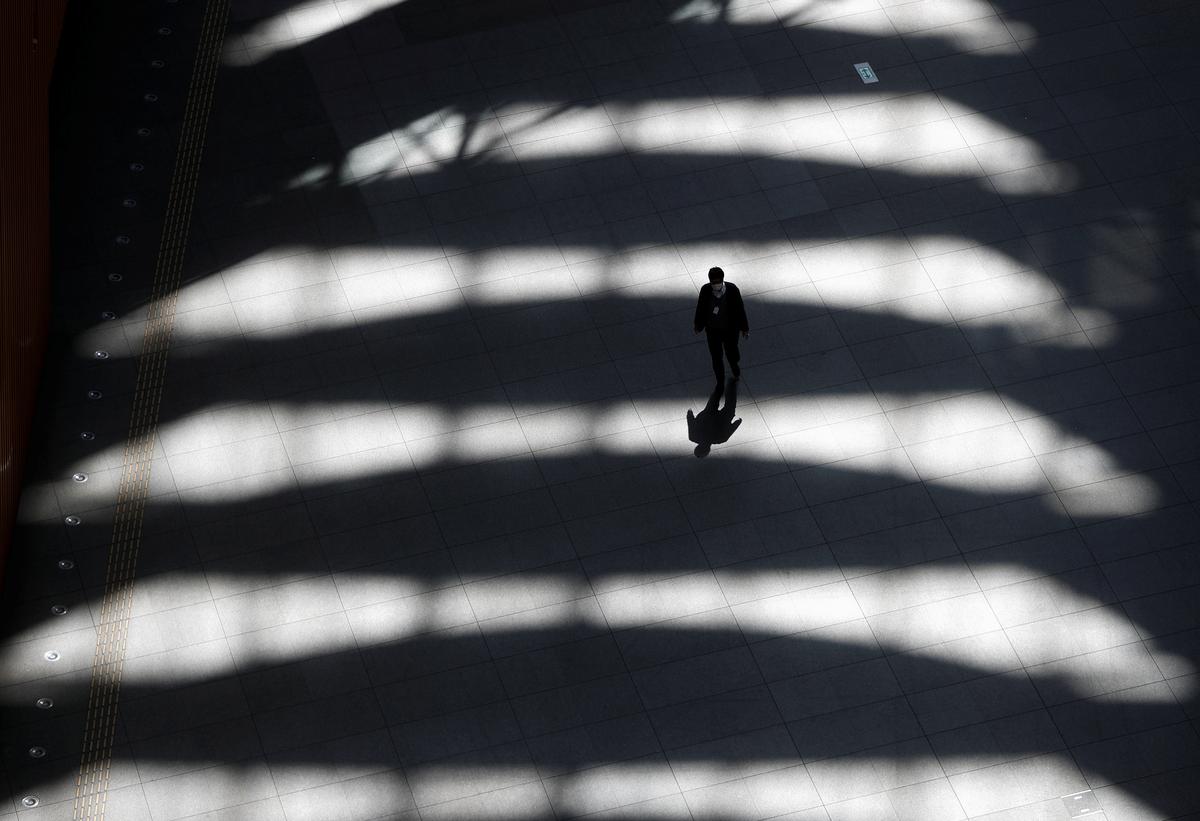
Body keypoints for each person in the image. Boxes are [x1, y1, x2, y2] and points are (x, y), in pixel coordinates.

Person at [693, 266, 749, 388]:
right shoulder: (706, 290)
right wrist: (698, 324)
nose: (716, 284)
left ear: (722, 279)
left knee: (732, 352)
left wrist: (744, 327)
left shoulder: (732, 289)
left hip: (730, 330)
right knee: (716, 356)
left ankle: (735, 367)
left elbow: (740, 309)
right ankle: (720, 380)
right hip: (713, 331)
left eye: (718, 282)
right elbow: (701, 308)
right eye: (713, 282)